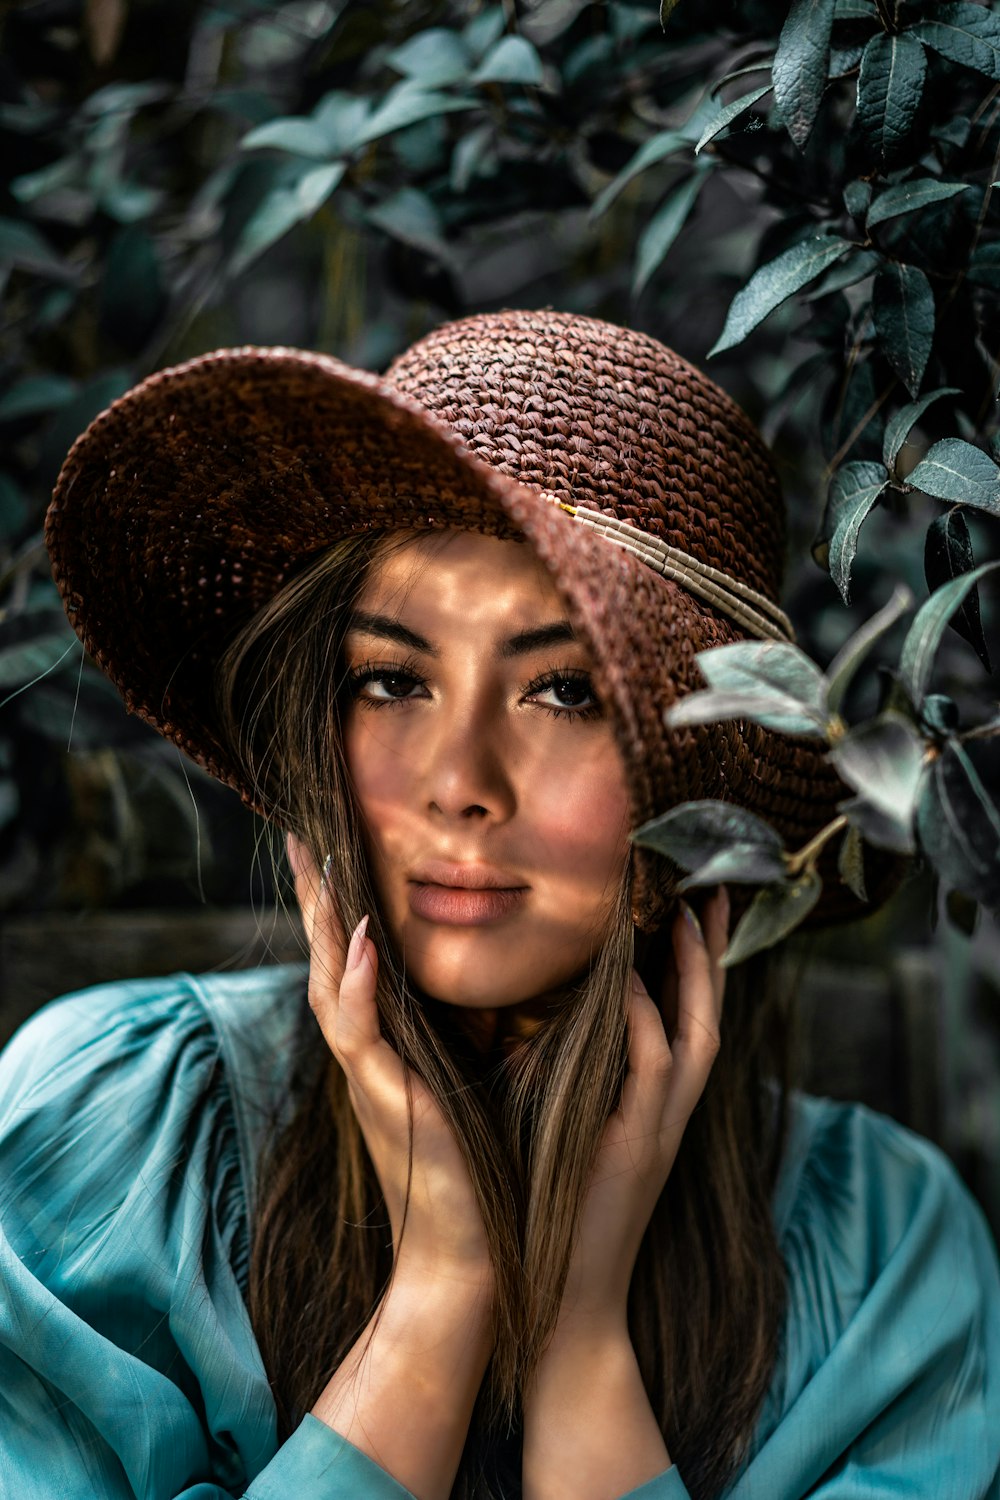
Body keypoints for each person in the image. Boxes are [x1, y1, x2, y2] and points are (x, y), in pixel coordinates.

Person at [0, 310, 997, 1500]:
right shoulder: (112, 1131)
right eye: (391, 680)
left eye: (566, 691)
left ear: (695, 781)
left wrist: (581, 1339)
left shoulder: (888, 1257)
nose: (459, 783)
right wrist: (441, 1288)